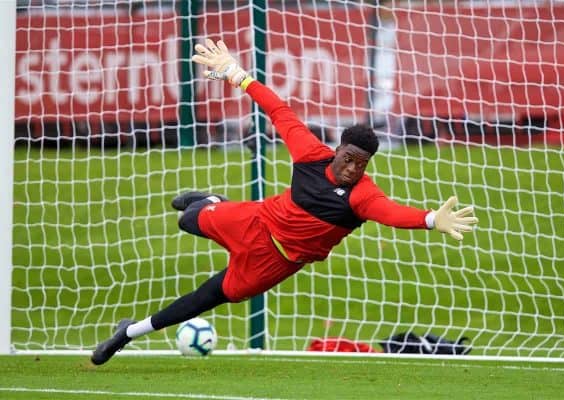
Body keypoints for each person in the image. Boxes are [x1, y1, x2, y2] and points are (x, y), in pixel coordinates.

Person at [91, 39, 478, 365]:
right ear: (338, 149)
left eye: (361, 164)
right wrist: (236, 74)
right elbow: (278, 110)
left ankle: (127, 333)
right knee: (186, 219)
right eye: (349, 158)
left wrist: (430, 219)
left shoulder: (363, 195)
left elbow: (392, 214)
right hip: (256, 219)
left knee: (204, 298)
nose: (352, 168)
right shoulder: (311, 153)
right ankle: (210, 201)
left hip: (275, 261)